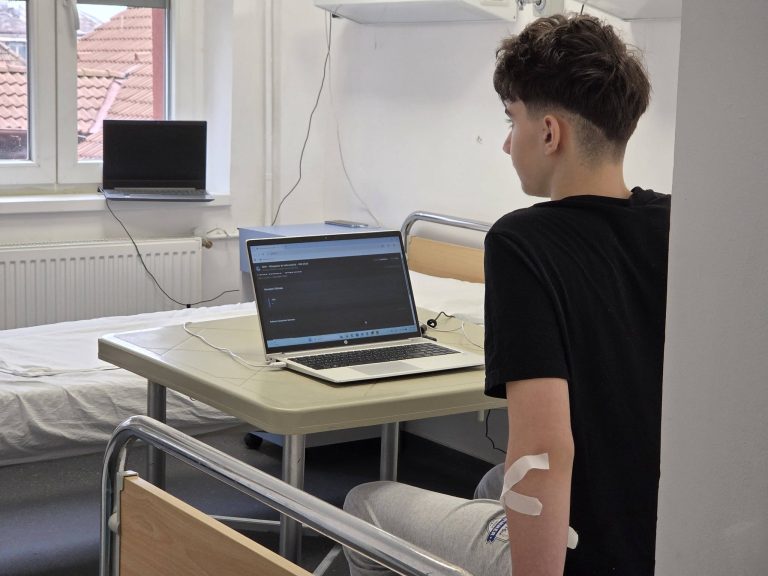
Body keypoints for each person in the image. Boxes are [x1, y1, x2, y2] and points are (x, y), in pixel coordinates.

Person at [343, 12, 670, 576]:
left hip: (588, 552)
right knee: (493, 483)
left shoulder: (523, 242)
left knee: (364, 504)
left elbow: (544, 451)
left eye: (511, 119)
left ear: (549, 133)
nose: (505, 142)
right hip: (668, 534)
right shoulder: (675, 222)